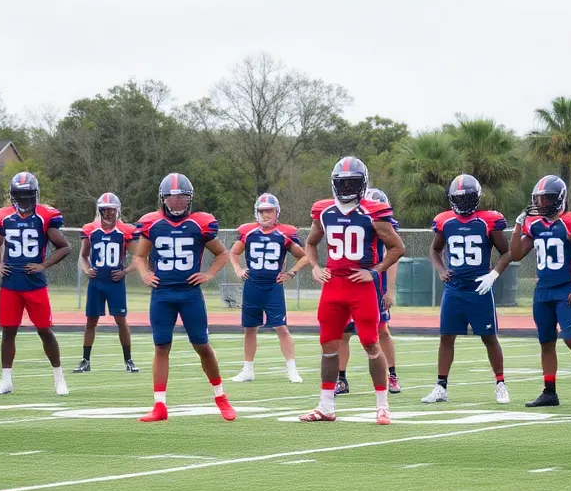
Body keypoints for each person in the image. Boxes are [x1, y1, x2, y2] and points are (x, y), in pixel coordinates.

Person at [299, 157, 405, 425]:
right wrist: (314, 266)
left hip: (361, 287)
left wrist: (374, 270)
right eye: (342, 183)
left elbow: (398, 247)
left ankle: (382, 405)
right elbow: (310, 244)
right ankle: (326, 406)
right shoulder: (323, 210)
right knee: (328, 346)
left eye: (352, 183)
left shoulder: (374, 211)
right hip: (333, 285)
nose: (347, 188)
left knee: (371, 343)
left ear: (363, 184)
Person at [135, 173, 236, 422]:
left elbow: (222, 254)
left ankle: (221, 397)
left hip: (189, 293)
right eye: (172, 197)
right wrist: (145, 274)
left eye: (182, 198)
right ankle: (159, 405)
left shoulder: (199, 224)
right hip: (162, 293)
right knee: (161, 346)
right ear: (163, 199)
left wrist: (208, 274)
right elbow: (139, 256)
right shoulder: (152, 224)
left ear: (189, 199)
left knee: (201, 344)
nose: (177, 202)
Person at [511, 175, 571, 409]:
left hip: (567, 289)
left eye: (547, 198)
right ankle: (549, 391)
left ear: (560, 198)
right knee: (546, 342)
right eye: (539, 199)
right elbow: (515, 255)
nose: (542, 203)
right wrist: (517, 225)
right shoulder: (533, 225)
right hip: (542, 291)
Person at [421, 174, 512, 405]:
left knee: (489, 337)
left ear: (476, 198)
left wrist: (493, 275)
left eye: (467, 198)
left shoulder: (488, 221)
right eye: (458, 199)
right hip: (454, 288)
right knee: (446, 337)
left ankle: (500, 384)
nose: (462, 203)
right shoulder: (445, 221)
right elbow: (434, 250)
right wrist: (441, 270)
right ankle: (441, 387)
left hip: (480, 289)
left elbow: (507, 252)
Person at [0, 172, 71, 396]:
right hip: (10, 283)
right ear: (13, 195)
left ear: (35, 195)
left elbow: (64, 246)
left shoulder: (45, 216)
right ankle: (6, 380)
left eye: (28, 195)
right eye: (20, 195)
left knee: (45, 330)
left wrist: (44, 265)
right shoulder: (3, 216)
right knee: (8, 331)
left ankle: (59, 378)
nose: (24, 199)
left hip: (35, 283)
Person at [229, 193, 306, 384]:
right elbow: (233, 252)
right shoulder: (248, 232)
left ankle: (292, 370)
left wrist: (291, 273)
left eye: (269, 211)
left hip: (273, 286)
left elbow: (304, 256)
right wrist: (238, 268)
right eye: (262, 211)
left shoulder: (284, 233)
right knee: (249, 329)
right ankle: (248, 370)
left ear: (276, 212)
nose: (265, 215)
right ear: (256, 213)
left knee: (281, 327)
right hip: (252, 285)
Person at [336, 187, 400, 395]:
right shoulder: (346, 221)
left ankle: (391, 375)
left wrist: (389, 290)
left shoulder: (383, 225)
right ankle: (341, 379)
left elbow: (393, 257)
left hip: (374, 283)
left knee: (381, 330)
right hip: (349, 283)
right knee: (344, 332)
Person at [74, 192, 140, 374]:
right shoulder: (90, 229)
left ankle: (128, 360)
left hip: (115, 283)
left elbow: (139, 257)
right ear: (100, 210)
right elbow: (83, 255)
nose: (108, 213)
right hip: (96, 282)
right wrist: (87, 269)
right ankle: (85, 360)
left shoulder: (125, 230)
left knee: (121, 320)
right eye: (105, 209)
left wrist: (125, 271)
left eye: (111, 209)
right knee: (91, 321)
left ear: (117, 210)